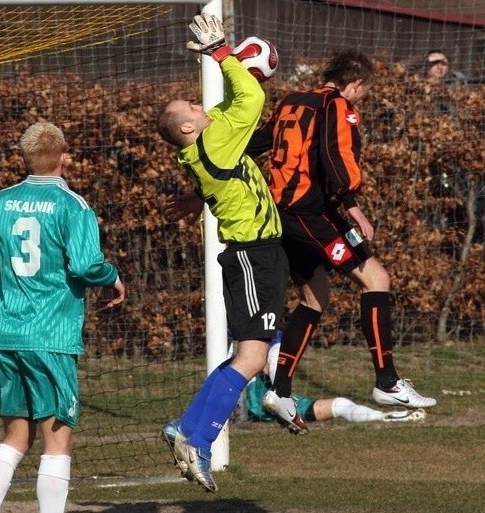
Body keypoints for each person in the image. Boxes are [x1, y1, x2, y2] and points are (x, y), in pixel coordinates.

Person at [245, 48, 437, 434]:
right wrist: (353, 204)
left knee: (314, 299)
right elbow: (336, 156)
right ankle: (388, 382)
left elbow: (256, 144)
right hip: (309, 213)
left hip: (284, 213)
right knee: (377, 280)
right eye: (363, 91)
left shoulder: (292, 101)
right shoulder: (336, 105)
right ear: (355, 84)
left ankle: (279, 390)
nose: (361, 99)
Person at [157, 13, 289, 493]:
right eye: (192, 102)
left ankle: (189, 428)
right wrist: (219, 52)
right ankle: (198, 438)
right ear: (189, 125)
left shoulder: (211, 143)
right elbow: (250, 97)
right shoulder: (213, 139)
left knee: (252, 351)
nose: (199, 101)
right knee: (250, 356)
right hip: (253, 256)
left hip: (261, 254)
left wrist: (230, 60)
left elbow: (239, 104)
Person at [0, 122, 125, 513]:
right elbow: (88, 265)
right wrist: (112, 277)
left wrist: (0, 263)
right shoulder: (73, 205)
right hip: (51, 338)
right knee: (57, 441)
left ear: (23, 158)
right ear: (64, 156)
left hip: (6, 336)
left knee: (14, 437)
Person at [245, 333, 426, 426]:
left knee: (340, 404)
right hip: (262, 401)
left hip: (266, 401)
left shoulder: (269, 336)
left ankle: (383, 417)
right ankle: (382, 417)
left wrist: (279, 390)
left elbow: (276, 357)